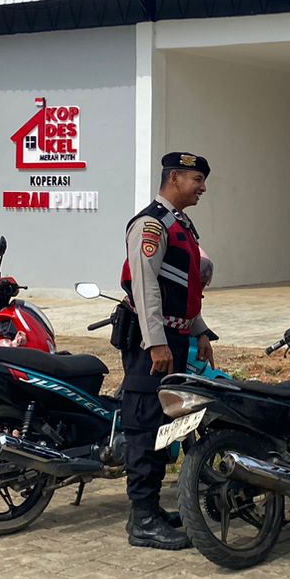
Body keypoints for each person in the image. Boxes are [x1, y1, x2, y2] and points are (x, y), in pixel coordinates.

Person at [118, 152, 214, 550]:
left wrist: (200, 332)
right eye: (196, 179)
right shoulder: (151, 224)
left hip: (172, 339)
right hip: (150, 343)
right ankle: (142, 520)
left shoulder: (180, 225)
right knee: (144, 425)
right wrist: (156, 342)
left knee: (162, 425)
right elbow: (145, 287)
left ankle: (151, 510)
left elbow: (182, 287)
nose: (203, 187)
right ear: (174, 178)